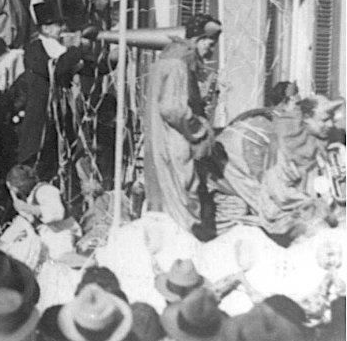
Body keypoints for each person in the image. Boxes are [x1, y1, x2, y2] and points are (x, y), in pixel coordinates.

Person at [213, 95, 343, 240]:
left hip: (249, 162)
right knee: (282, 220)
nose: (330, 124)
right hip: (237, 162)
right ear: (306, 118)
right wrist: (314, 206)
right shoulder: (285, 141)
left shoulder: (311, 136)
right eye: (324, 120)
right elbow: (279, 193)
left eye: (331, 119)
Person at [142, 13, 221, 235]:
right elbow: (172, 108)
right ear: (199, 40)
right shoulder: (179, 63)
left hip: (162, 141)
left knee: (166, 207)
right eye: (210, 43)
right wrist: (200, 128)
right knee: (184, 205)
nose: (212, 50)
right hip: (174, 143)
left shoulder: (168, 58)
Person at [12, 0, 85, 183]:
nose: (62, 27)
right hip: (40, 122)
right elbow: (57, 69)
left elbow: (82, 67)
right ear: (45, 28)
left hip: (58, 121)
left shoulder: (61, 50)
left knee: (58, 166)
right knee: (34, 166)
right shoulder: (34, 50)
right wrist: (75, 48)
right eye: (57, 24)